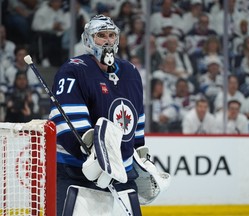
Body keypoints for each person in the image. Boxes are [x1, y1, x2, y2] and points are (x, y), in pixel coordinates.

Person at [49, 15, 169, 215]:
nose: (107, 40)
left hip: (123, 174)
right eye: (101, 35)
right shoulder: (74, 70)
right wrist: (96, 158)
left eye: (112, 35)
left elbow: (136, 120)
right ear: (88, 40)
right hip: (76, 173)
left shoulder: (131, 72)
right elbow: (66, 120)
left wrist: (139, 155)